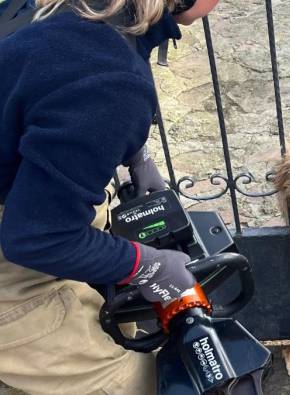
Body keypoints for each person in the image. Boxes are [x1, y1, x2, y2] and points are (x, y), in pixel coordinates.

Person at [0, 0, 219, 393]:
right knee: (131, 385)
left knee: (112, 316)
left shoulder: (66, 9)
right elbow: (37, 238)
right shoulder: (111, 76)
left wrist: (136, 153)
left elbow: (42, 89)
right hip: (23, 241)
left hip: (21, 202)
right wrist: (150, 265)